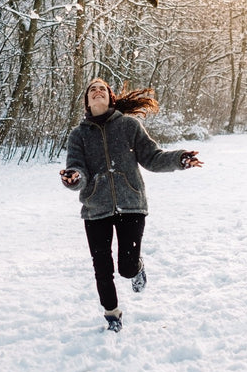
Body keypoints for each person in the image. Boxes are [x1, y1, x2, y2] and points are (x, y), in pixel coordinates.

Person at [60, 78, 203, 332]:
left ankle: (136, 268)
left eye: (102, 88)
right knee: (102, 267)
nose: (97, 91)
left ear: (110, 97)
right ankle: (112, 315)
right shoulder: (78, 135)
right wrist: (73, 178)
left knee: (126, 267)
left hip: (131, 203)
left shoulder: (128, 126)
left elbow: (153, 157)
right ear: (87, 101)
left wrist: (179, 159)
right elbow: (77, 170)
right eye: (92, 89)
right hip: (95, 208)